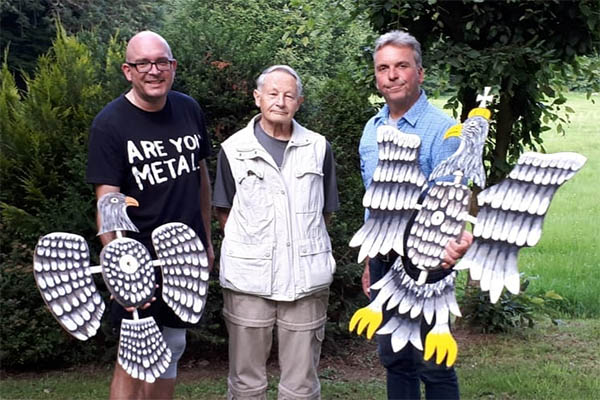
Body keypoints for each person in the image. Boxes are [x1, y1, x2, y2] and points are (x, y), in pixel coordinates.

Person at [86, 31, 214, 400]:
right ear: (128, 70)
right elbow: (107, 201)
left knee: (171, 349)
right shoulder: (109, 124)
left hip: (182, 256)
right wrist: (119, 269)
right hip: (136, 260)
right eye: (144, 63)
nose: (154, 71)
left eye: (162, 62)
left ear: (173, 67)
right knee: (133, 357)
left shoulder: (189, 108)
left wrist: (204, 240)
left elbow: (200, 176)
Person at [359, 30, 473, 399]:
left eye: (401, 66)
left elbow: (453, 203)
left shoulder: (445, 131)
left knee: (432, 363)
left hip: (428, 262)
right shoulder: (371, 130)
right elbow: (374, 202)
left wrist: (448, 253)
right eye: (383, 68)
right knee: (395, 357)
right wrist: (369, 259)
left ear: (420, 73)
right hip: (383, 260)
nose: (391, 75)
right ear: (376, 76)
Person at [213, 65, 339, 400]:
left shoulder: (318, 147)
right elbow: (225, 214)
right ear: (257, 98)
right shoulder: (232, 149)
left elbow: (324, 214)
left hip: (305, 282)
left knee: (301, 387)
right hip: (248, 282)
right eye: (272, 93)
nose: (280, 101)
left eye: (288, 95)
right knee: (246, 384)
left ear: (299, 101)